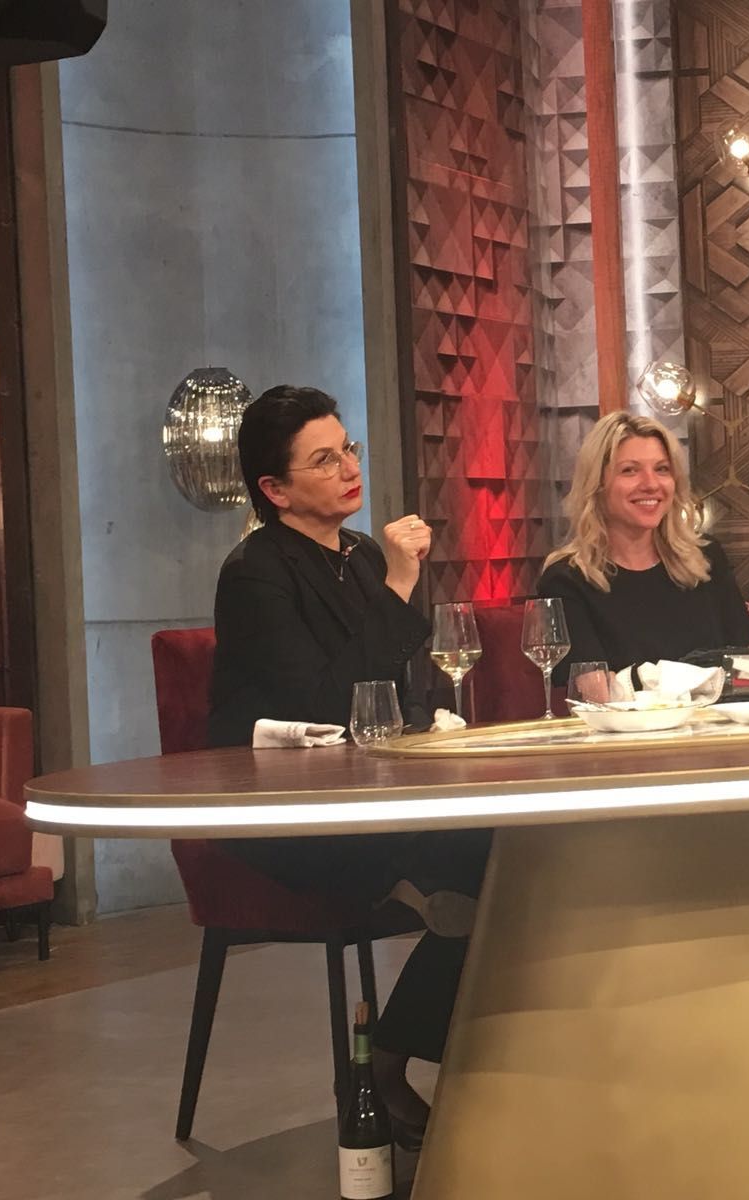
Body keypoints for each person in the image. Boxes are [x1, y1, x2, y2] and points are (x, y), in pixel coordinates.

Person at [208, 384, 489, 1144]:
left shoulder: (360, 554)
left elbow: (397, 695)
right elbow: (331, 704)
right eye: (325, 459)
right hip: (292, 815)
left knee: (512, 853)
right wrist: (400, 584)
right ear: (275, 489)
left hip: (374, 791)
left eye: (349, 449)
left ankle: (404, 1062)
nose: (349, 469)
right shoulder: (256, 573)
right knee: (480, 870)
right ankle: (392, 1070)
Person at [536, 411, 749, 685]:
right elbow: (595, 692)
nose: (651, 484)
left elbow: (744, 672)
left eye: (662, 469)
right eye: (630, 470)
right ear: (597, 484)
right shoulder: (565, 580)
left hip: (717, 713)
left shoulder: (706, 557)